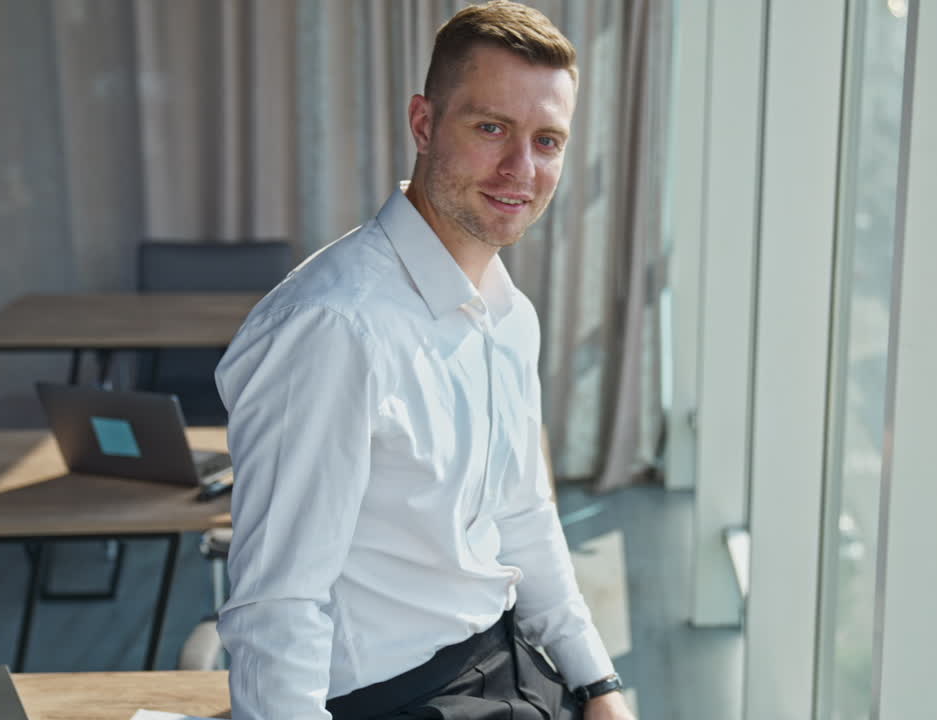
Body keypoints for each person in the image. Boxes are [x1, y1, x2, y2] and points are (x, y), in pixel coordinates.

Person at [213, 3, 635, 719]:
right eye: (491, 128)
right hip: (392, 699)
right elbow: (275, 606)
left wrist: (598, 683)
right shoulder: (335, 328)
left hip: (502, 667)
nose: (520, 169)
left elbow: (525, 517)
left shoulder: (509, 316)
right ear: (423, 123)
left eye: (548, 140)